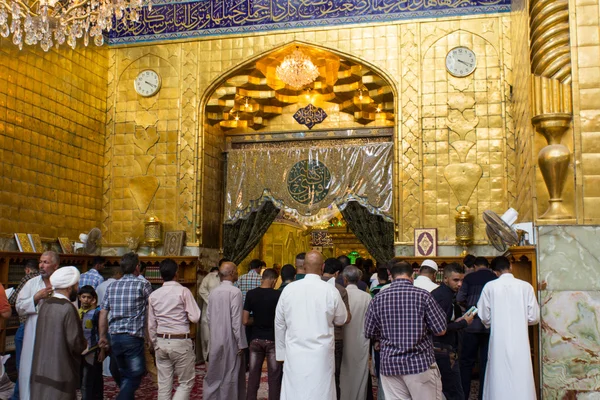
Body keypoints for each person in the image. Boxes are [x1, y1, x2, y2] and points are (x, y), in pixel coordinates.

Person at [364, 259, 447, 400]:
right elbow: (440, 330)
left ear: (391, 276)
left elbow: (369, 332)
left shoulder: (378, 298)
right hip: (419, 364)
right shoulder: (423, 296)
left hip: (390, 365)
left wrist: (382, 337)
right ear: (412, 276)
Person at [275, 250, 348, 400]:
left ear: (303, 267)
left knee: (295, 390)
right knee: (321, 391)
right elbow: (341, 319)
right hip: (321, 354)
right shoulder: (330, 290)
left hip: (295, 352)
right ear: (322, 267)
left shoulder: (289, 290)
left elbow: (279, 323)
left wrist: (281, 353)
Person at [477, 256, 540, 400]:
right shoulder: (526, 286)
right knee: (521, 378)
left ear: (495, 272)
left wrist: (496, 321)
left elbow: (484, 316)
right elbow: (534, 317)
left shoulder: (490, 287)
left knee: (498, 377)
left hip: (498, 341)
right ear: (510, 266)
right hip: (521, 342)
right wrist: (520, 321)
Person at [99, 252, 153, 400]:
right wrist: (150, 336)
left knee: (123, 372)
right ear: (137, 267)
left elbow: (103, 312)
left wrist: (103, 336)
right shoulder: (143, 284)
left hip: (114, 336)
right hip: (132, 337)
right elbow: (151, 310)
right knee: (135, 373)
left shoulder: (112, 286)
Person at [30, 266, 87, 400]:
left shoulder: (45, 304)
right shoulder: (67, 308)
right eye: (76, 285)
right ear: (69, 287)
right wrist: (86, 344)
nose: (77, 289)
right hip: (60, 372)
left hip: (41, 369)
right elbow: (75, 343)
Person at [148, 258, 201, 400]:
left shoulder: (153, 295)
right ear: (176, 273)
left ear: (160, 275)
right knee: (185, 383)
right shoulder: (183, 292)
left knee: (164, 384)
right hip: (180, 341)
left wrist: (154, 343)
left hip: (161, 341)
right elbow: (195, 317)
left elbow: (151, 324)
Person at [16, 250, 59, 400]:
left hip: (55, 336)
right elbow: (19, 307)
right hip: (33, 333)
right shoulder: (31, 283)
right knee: (29, 370)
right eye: (40, 262)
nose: (41, 265)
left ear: (55, 266)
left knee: (52, 371)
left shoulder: (61, 285)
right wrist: (35, 297)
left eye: (46, 262)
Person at [203, 261, 247, 400]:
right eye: (237, 270)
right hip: (231, 340)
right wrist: (241, 343)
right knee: (230, 375)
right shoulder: (235, 292)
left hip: (215, 338)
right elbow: (236, 321)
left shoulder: (213, 293)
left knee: (214, 373)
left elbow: (209, 317)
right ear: (232, 273)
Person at [431, 263, 474, 400]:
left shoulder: (442, 293)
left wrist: (457, 321)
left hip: (438, 349)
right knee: (455, 393)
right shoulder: (445, 297)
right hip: (443, 350)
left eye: (462, 280)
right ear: (445, 279)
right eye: (456, 280)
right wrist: (463, 323)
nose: (460, 284)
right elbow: (440, 329)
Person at [457, 256, 496, 400]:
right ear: (488, 265)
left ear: (474, 266)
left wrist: (468, 309)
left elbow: (460, 298)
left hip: (471, 325)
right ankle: (483, 396)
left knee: (466, 362)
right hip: (489, 327)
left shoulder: (469, 278)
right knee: (486, 362)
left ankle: (463, 395)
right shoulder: (494, 278)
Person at [243, 268, 282, 400]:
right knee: (274, 377)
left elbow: (245, 320)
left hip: (255, 339)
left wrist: (258, 320)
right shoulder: (278, 295)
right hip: (272, 339)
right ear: (273, 280)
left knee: (253, 375)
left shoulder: (251, 294)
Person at [8, 259, 38, 400]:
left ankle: (18, 396)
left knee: (22, 364)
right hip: (38, 326)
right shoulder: (44, 281)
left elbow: (14, 300)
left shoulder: (28, 278)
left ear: (27, 269)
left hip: (25, 325)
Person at [340, 266, 372, 400]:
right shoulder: (366, 297)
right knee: (360, 374)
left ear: (345, 279)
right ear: (359, 279)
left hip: (343, 341)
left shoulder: (339, 295)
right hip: (361, 342)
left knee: (343, 373)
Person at [322, 258, 352, 400]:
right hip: (336, 337)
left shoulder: (310, 287)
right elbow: (345, 318)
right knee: (335, 376)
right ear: (337, 273)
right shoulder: (340, 290)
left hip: (315, 336)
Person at [79, 285, 105, 400]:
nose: (85, 300)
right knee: (84, 379)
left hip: (93, 350)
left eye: (89, 297)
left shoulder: (96, 313)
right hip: (80, 351)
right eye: (83, 297)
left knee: (92, 379)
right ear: (79, 297)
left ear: (93, 299)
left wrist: (102, 350)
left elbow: (101, 332)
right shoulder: (77, 312)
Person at [198, 263, 222, 364]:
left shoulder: (227, 279)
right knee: (206, 338)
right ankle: (207, 362)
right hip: (207, 312)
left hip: (221, 313)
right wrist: (212, 301)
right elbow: (201, 290)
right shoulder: (209, 277)